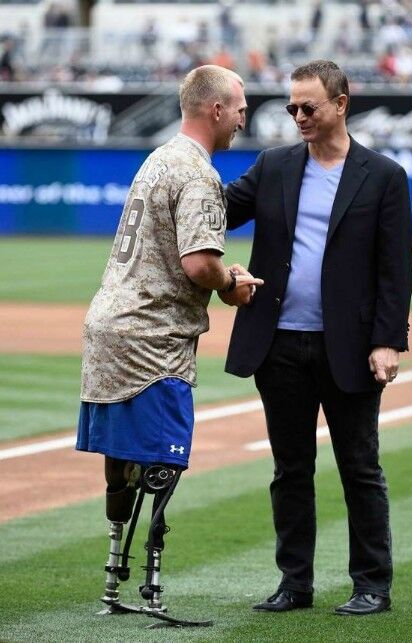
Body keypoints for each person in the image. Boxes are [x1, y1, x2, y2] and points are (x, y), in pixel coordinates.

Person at [224, 60, 412, 615]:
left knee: (360, 468)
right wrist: (182, 165)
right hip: (278, 343)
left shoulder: (382, 175)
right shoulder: (274, 165)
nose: (299, 117)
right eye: (291, 109)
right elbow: (217, 211)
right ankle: (295, 583)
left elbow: (394, 271)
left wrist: (388, 340)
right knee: (290, 470)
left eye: (309, 107)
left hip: (349, 347)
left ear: (341, 103)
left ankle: (372, 585)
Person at [76, 64, 263, 617]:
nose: (244, 117)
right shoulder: (199, 173)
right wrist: (233, 283)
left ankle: (113, 582)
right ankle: (150, 588)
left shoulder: (159, 157)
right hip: (153, 338)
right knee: (164, 462)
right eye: (241, 107)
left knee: (120, 465)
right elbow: (201, 262)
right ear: (215, 110)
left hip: (108, 325)